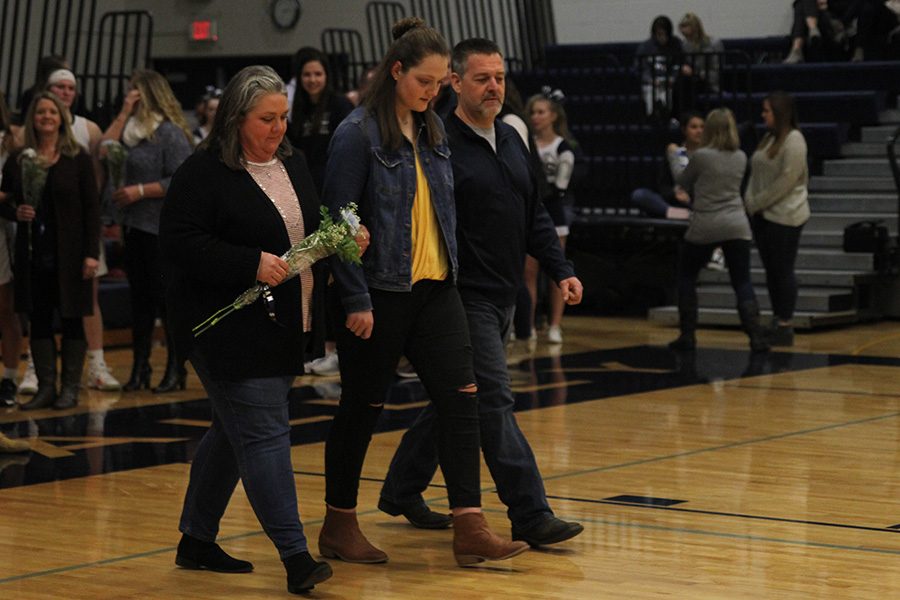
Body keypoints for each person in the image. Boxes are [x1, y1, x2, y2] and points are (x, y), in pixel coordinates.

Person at [320, 17, 528, 566]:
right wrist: (354, 298)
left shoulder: (433, 129)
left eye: (439, 85)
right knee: (361, 408)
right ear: (396, 73)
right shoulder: (356, 132)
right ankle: (338, 524)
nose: (433, 93)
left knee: (463, 402)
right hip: (380, 292)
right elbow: (337, 223)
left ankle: (470, 527)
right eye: (424, 83)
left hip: (438, 288)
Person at [379, 37, 585, 549]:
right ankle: (531, 513)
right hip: (458, 296)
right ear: (455, 83)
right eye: (481, 78)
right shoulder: (439, 141)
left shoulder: (512, 139)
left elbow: (535, 212)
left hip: (505, 295)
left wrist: (560, 269)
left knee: (457, 399)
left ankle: (402, 487)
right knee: (492, 398)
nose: (494, 87)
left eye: (499, 77)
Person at [159, 65, 337, 595]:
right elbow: (180, 245)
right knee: (263, 435)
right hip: (226, 331)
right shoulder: (202, 173)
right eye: (267, 119)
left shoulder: (293, 162)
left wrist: (341, 239)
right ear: (237, 118)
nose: (279, 128)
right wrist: (248, 263)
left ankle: (196, 540)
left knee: (234, 432)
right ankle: (296, 557)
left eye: (283, 117)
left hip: (286, 324)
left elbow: (303, 239)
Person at [0, 91, 100, 410]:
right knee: (39, 319)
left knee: (71, 317)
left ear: (62, 118)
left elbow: (92, 209)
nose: (46, 117)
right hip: (33, 254)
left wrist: (91, 254)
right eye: (41, 112)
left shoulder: (78, 157)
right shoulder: (19, 159)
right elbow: (3, 199)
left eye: (52, 112)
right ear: (32, 118)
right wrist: (16, 211)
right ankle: (45, 387)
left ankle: (69, 387)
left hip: (71, 253)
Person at [101, 69, 193, 393]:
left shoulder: (169, 133)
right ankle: (139, 369)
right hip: (132, 227)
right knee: (139, 302)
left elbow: (181, 179)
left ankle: (175, 369)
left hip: (160, 228)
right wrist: (124, 112)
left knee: (166, 303)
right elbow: (104, 149)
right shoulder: (127, 132)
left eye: (135, 93)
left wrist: (140, 190)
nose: (130, 97)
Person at [667, 108, 769, 352]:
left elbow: (682, 181)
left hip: (706, 223)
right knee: (742, 280)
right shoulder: (741, 156)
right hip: (736, 223)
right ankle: (755, 334)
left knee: (687, 276)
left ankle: (688, 335)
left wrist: (672, 156)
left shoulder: (702, 156)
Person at [45, 68, 121, 391]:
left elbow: (100, 173)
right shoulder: (36, 126)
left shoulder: (86, 127)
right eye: (59, 87)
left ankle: (97, 365)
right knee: (42, 298)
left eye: (70, 88)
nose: (65, 93)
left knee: (88, 297)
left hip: (81, 226)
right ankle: (38, 369)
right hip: (47, 227)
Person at [286, 48, 354, 377]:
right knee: (308, 276)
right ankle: (314, 347)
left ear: (327, 76)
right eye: (307, 74)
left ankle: (336, 347)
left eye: (318, 74)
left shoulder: (340, 107)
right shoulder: (294, 111)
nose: (313, 80)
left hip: (335, 203)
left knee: (335, 276)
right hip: (304, 202)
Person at [745, 92, 810, 347]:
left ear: (780, 113)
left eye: (767, 111)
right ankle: (776, 319)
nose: (763, 115)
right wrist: (750, 200)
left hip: (786, 214)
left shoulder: (795, 140)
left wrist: (757, 202)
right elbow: (755, 171)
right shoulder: (767, 138)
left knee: (783, 269)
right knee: (771, 271)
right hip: (763, 214)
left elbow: (787, 180)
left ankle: (786, 323)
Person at [524, 91, 577, 344]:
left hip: (553, 212)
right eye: (533, 112)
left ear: (553, 116)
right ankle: (529, 324)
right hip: (530, 210)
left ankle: (555, 325)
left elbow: (560, 186)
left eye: (541, 112)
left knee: (558, 271)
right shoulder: (525, 143)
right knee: (528, 272)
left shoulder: (563, 147)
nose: (535, 117)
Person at [630, 111, 704, 220]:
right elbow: (662, 185)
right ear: (684, 130)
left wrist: (690, 198)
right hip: (673, 202)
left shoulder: (707, 155)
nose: (699, 131)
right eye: (694, 127)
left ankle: (682, 214)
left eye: (702, 127)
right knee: (639, 195)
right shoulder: (675, 152)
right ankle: (682, 214)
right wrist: (674, 193)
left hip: (696, 203)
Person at [0, 90, 24, 407]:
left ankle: (9, 378)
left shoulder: (10, 139)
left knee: (6, 308)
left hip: (1, 230)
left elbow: (14, 189)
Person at [635, 15, 683, 119]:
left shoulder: (676, 45)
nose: (662, 38)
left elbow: (678, 64)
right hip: (651, 82)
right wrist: (650, 80)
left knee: (668, 92)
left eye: (665, 35)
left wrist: (673, 78)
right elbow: (642, 68)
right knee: (650, 92)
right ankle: (653, 114)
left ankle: (666, 113)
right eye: (659, 34)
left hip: (668, 81)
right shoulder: (645, 47)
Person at [677, 12, 724, 107]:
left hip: (709, 84)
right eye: (685, 37)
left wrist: (696, 73)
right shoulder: (685, 45)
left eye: (689, 36)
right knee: (680, 83)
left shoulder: (713, 44)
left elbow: (716, 72)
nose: (688, 39)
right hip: (691, 81)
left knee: (686, 84)